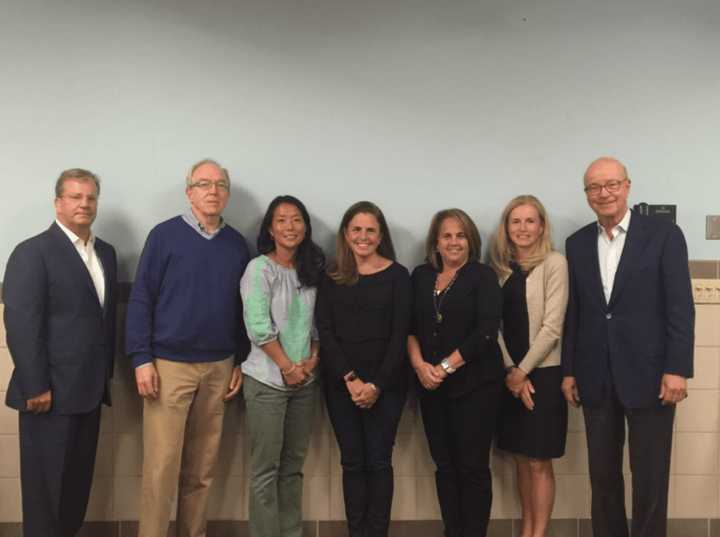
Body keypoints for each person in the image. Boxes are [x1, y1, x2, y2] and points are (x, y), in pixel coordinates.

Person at [562, 157, 695, 537]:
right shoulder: (577, 243)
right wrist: (570, 369)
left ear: (627, 186)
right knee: (602, 477)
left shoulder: (664, 235)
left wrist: (677, 369)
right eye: (593, 187)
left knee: (650, 477)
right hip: (595, 376)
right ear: (586, 194)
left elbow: (679, 308)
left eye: (611, 184)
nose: (603, 193)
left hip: (652, 376)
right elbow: (578, 314)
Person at [125, 158, 250, 537]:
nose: (212, 191)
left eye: (220, 185)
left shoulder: (236, 244)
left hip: (218, 366)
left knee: (202, 469)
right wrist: (141, 359)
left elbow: (242, 309)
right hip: (169, 366)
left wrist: (239, 361)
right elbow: (142, 298)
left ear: (227, 194)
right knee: (162, 467)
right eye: (203, 184)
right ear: (189, 192)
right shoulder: (164, 236)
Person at [3, 168, 117, 537]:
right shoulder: (32, 252)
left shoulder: (106, 254)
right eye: (75, 196)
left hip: (89, 392)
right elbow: (21, 324)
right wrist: (36, 385)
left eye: (90, 197)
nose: (84, 204)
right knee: (44, 493)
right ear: (58, 203)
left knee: (74, 489)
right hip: (47, 394)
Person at [316, 201, 410, 537]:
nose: (363, 236)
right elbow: (324, 331)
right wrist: (352, 380)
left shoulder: (398, 276)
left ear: (380, 234)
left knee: (379, 462)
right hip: (342, 385)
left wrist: (377, 386)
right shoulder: (331, 276)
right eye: (356, 229)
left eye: (370, 230)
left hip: (387, 387)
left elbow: (400, 335)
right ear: (345, 233)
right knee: (352, 462)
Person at [407, 208, 503, 537]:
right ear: (436, 241)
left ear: (470, 240)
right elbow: (409, 327)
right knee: (444, 466)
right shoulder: (420, 276)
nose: (454, 242)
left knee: (473, 468)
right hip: (430, 386)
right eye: (447, 235)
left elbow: (486, 331)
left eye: (460, 235)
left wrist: (445, 367)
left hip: (475, 386)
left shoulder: (482, 276)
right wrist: (421, 366)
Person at [240, 195, 326, 537]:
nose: (290, 227)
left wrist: (312, 359)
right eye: (281, 220)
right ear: (270, 229)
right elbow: (258, 326)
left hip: (305, 383)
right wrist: (287, 366)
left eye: (296, 220)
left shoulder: (311, 271)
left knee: (293, 469)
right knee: (266, 469)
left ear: (305, 227)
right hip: (267, 382)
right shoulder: (259, 269)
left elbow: (316, 326)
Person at [490, 195, 568, 537]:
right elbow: (492, 327)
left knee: (539, 460)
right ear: (506, 228)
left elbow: (552, 327)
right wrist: (510, 371)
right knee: (521, 459)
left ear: (542, 226)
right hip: (508, 377)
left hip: (544, 376)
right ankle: (526, 530)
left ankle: (540, 533)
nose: (523, 228)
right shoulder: (499, 269)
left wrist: (523, 372)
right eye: (515, 221)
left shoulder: (555, 263)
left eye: (530, 221)